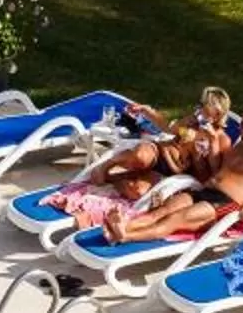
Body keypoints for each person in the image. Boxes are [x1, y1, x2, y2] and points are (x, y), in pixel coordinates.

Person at [40, 89, 231, 230]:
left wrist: (209, 145)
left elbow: (216, 172)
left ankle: (113, 179)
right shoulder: (191, 122)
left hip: (175, 172)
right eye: (199, 106)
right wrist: (147, 111)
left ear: (217, 114)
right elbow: (168, 129)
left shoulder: (222, 140)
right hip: (160, 153)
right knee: (140, 155)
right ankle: (107, 166)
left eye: (204, 108)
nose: (199, 111)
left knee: (135, 190)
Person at [106, 106, 243, 243]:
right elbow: (215, 168)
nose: (239, 129)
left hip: (224, 203)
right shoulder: (240, 148)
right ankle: (122, 227)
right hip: (203, 190)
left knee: (175, 218)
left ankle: (126, 237)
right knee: (160, 211)